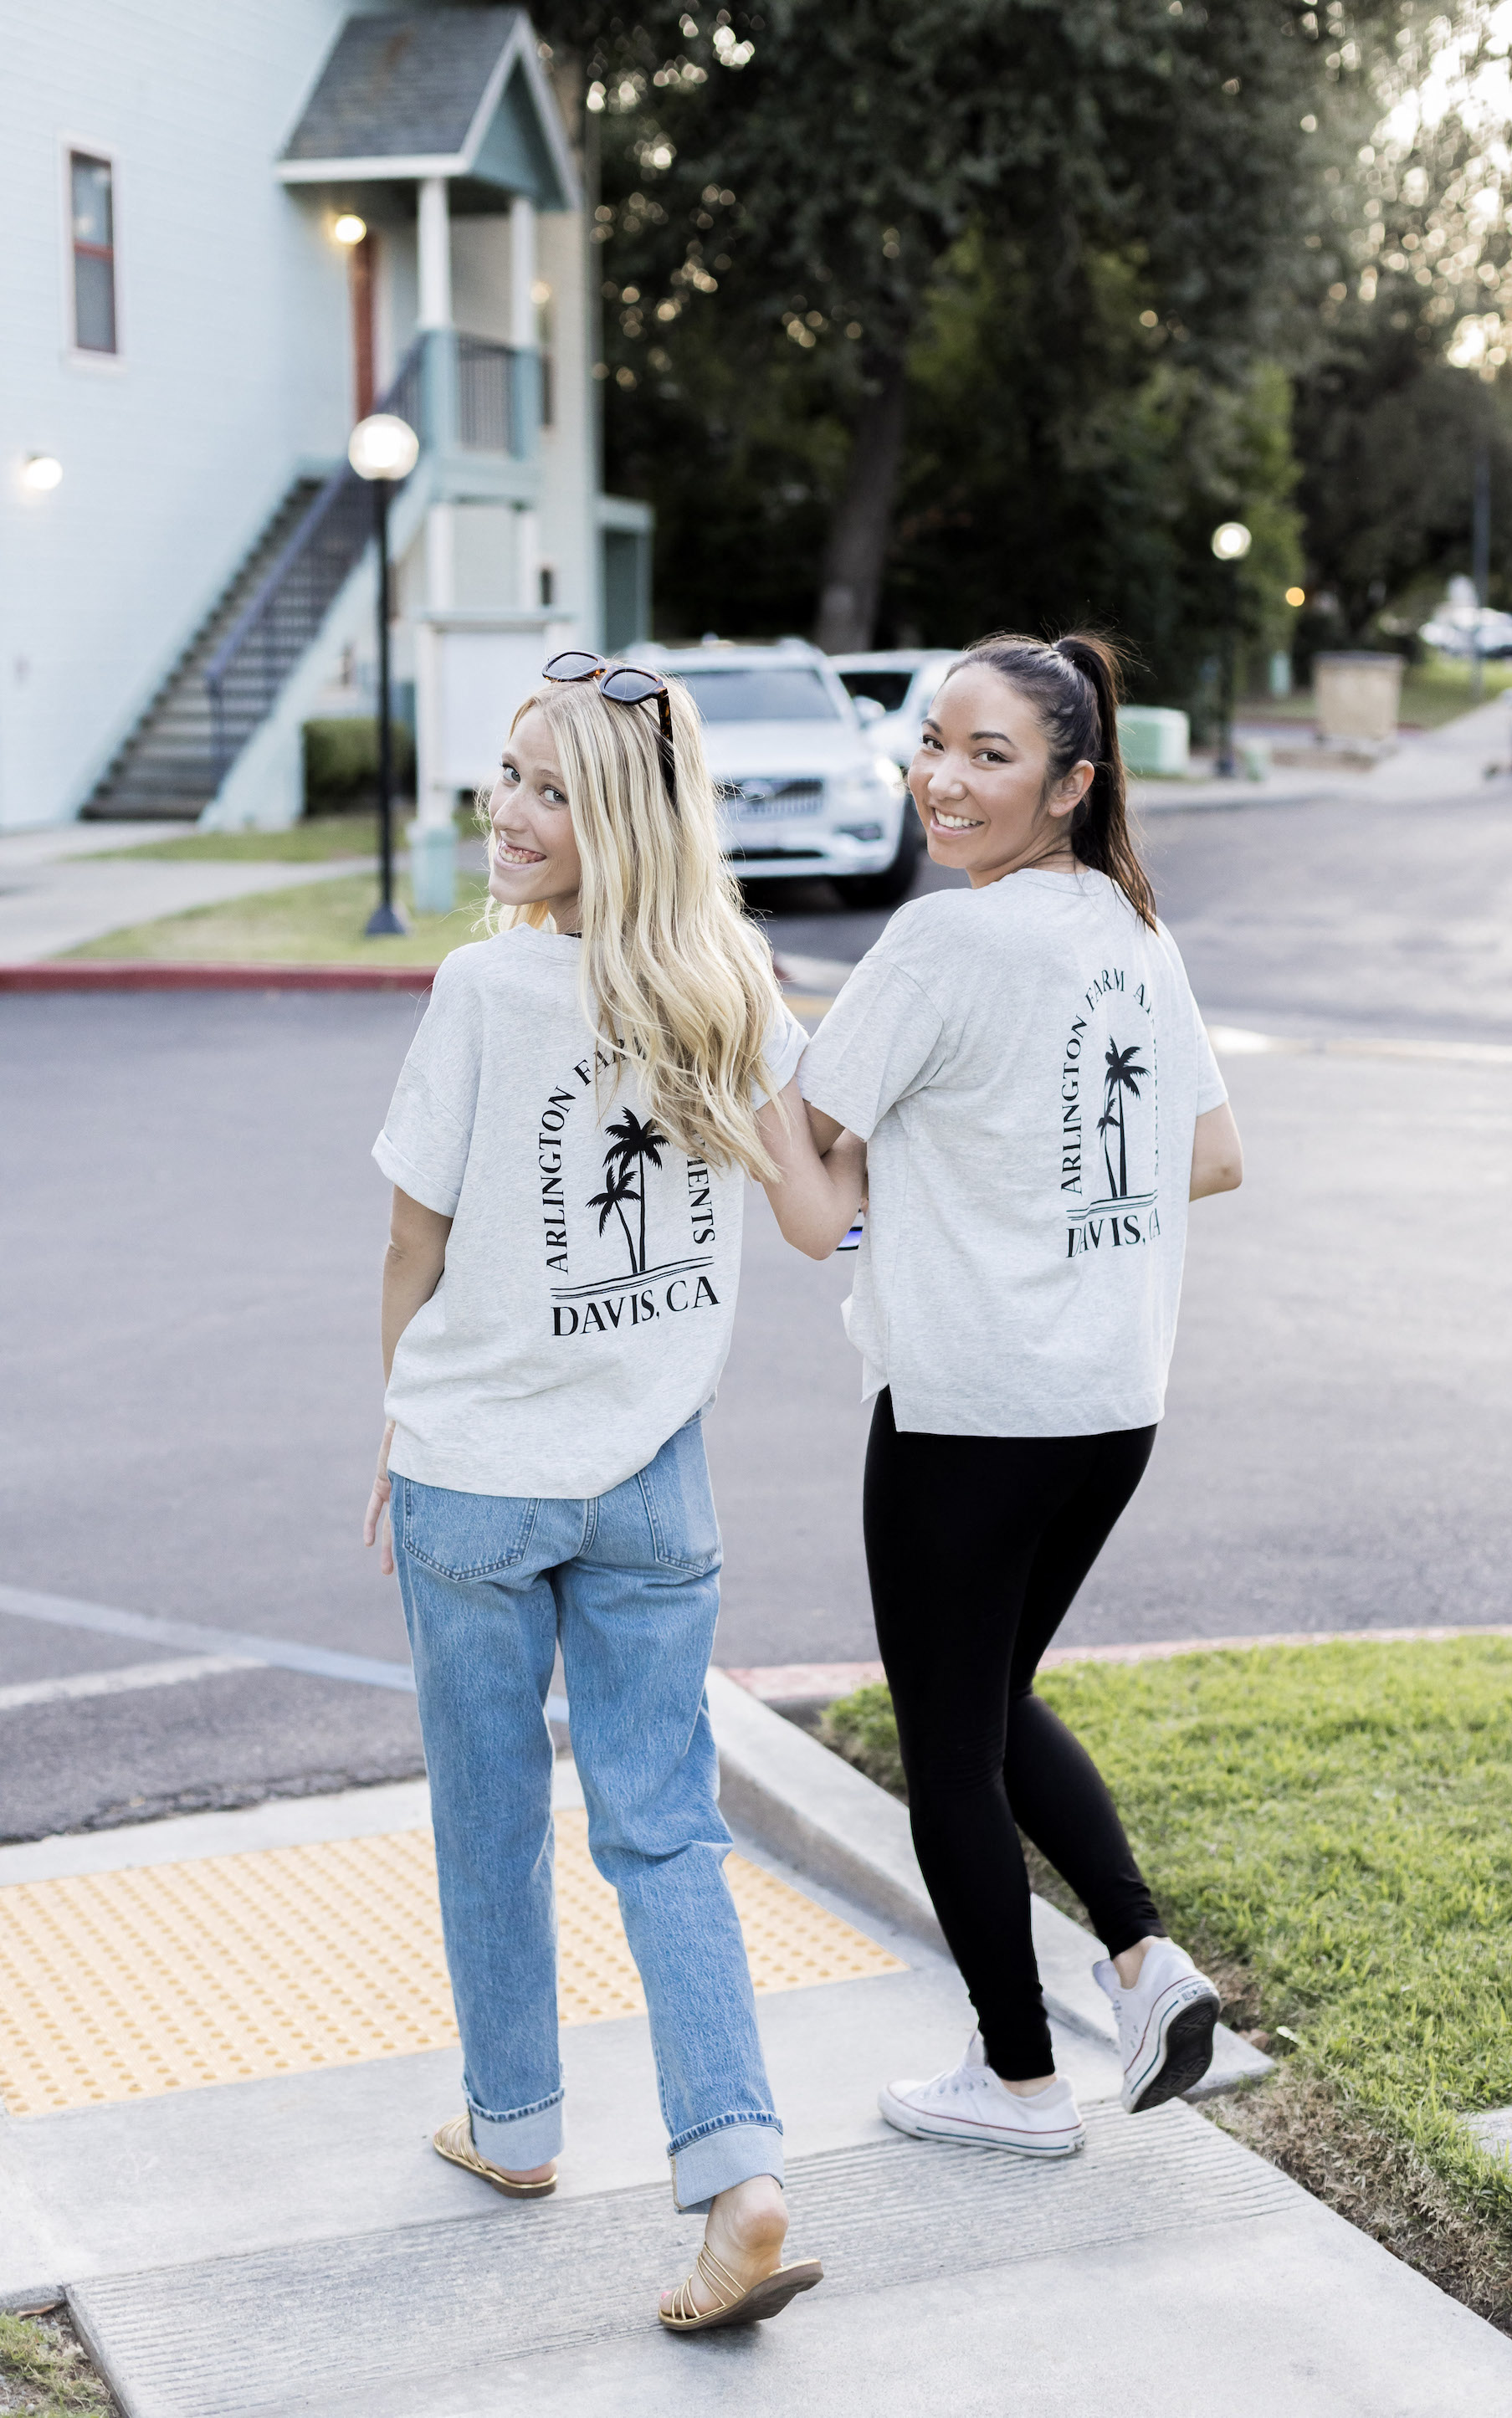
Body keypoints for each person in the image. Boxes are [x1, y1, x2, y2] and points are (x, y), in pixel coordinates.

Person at [362, 653, 863, 2330]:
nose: (510, 812)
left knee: (487, 1810)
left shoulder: (481, 994)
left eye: (553, 788)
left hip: (480, 1480)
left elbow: (414, 1238)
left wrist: (394, 1430)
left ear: (620, 814)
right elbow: (816, 1216)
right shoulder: (729, 974)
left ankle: (516, 2122)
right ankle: (740, 2174)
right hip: (658, 1474)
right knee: (667, 1829)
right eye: (507, 774)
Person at [771, 632, 1244, 2151]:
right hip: (1110, 1401)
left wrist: (730, 1050)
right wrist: (1005, 1184)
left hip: (970, 1405)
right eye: (933, 744)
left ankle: (1019, 2079)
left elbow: (804, 1197)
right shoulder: (1126, 927)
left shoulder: (940, 943)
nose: (943, 780)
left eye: (989, 755)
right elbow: (1208, 1155)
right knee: (986, 1696)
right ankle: (1140, 1953)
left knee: (946, 1747)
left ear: (1069, 781)